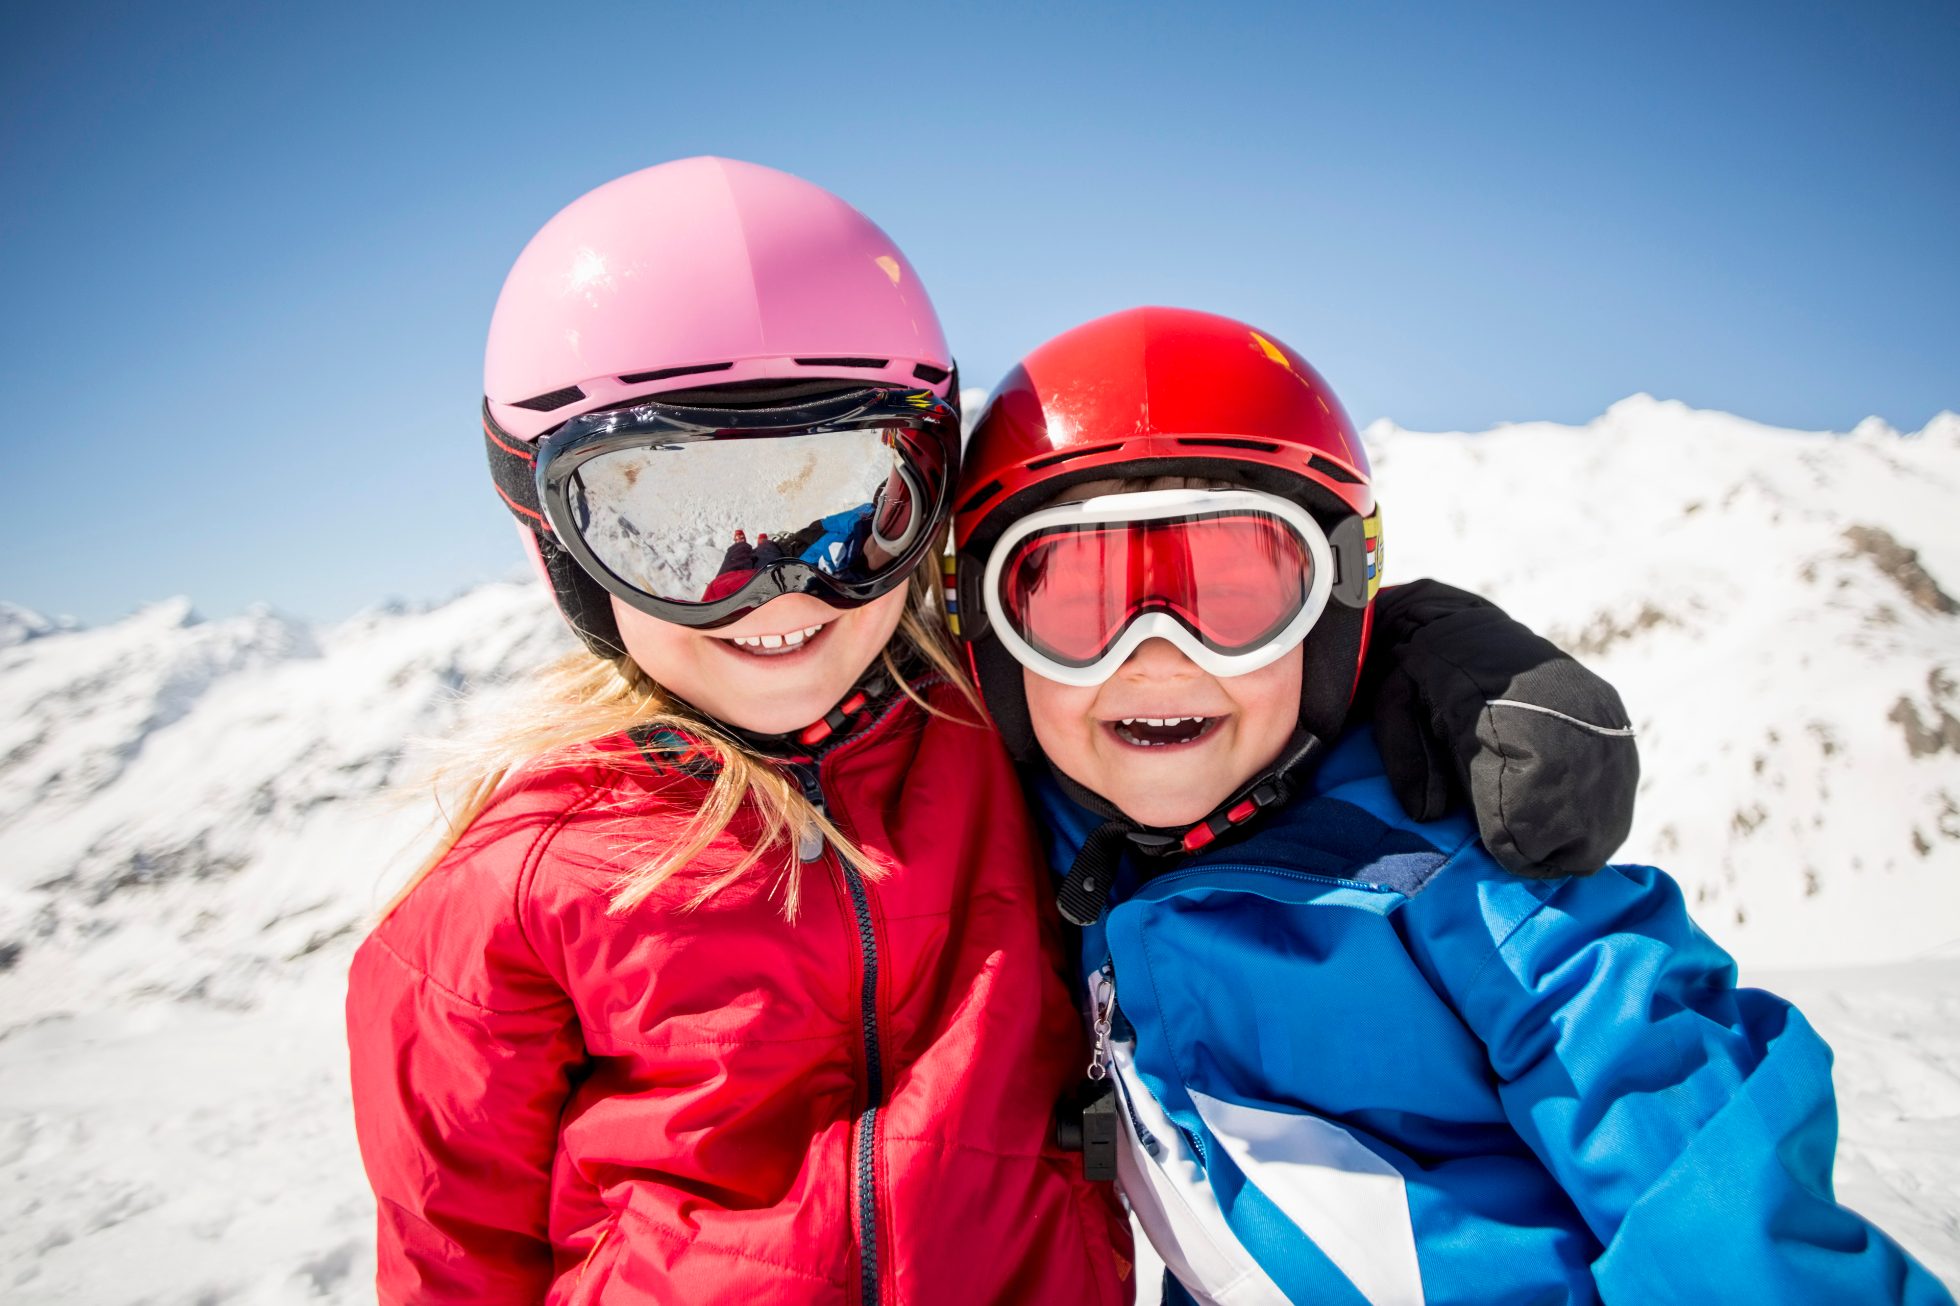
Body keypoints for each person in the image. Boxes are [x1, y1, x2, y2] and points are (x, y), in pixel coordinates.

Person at [346, 160, 1633, 1305]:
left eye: (846, 504)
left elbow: (1200, 672)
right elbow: (453, 1258)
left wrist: (1423, 650)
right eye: (674, 529)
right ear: (553, 537)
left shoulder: (1001, 730)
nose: (783, 589)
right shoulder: (514, 887)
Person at [947, 305, 1955, 1306]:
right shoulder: (1048, 852)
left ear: (1334, 608)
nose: (1157, 653)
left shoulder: (1461, 880)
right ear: (992, 633)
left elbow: (1690, 1156)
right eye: (1075, 603)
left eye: (1236, 595)